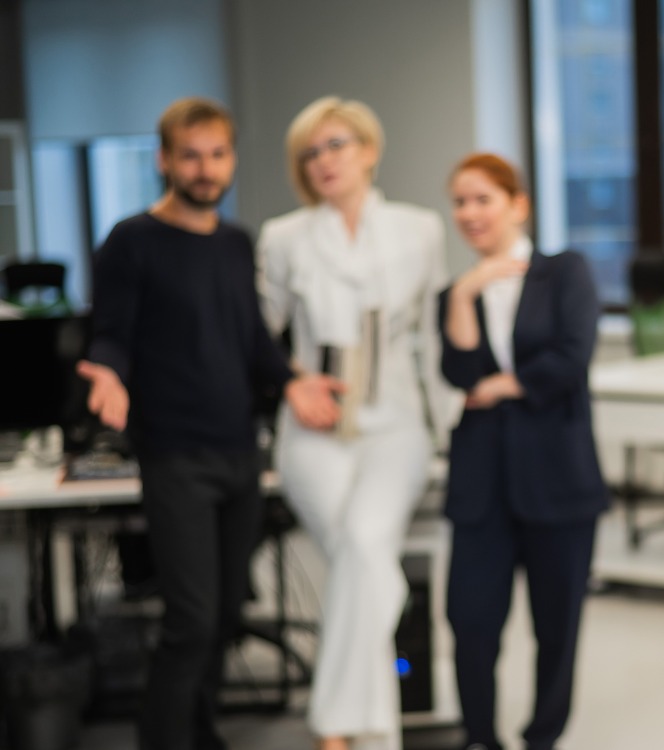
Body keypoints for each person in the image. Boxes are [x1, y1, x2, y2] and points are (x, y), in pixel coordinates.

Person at [78, 97, 341, 750]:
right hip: (176, 456)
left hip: (239, 452)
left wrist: (293, 380)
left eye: (217, 154)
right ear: (165, 160)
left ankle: (198, 729)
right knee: (191, 620)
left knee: (224, 615)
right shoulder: (132, 240)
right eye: (190, 155)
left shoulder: (235, 242)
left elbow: (253, 339)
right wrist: (107, 371)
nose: (205, 168)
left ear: (230, 158)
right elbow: (110, 332)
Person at [257, 96, 453, 750]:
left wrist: (444, 427)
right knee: (364, 561)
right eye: (310, 153)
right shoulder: (283, 238)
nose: (324, 162)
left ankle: (333, 730)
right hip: (315, 424)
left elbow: (429, 339)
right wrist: (290, 384)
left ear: (369, 150)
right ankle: (371, 734)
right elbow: (259, 338)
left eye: (336, 145)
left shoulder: (419, 229)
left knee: (365, 547)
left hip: (394, 419)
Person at [439, 153, 607, 750]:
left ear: (518, 205)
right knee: (470, 620)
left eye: (483, 198)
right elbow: (460, 372)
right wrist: (464, 294)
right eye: (460, 201)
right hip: (481, 482)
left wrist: (507, 385)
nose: (470, 212)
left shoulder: (565, 271)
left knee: (556, 626)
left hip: (558, 479)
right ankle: (479, 736)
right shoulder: (457, 292)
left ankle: (542, 739)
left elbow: (571, 356)